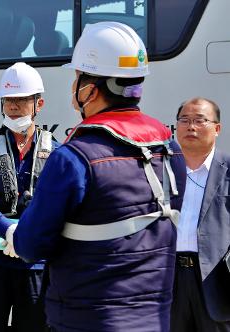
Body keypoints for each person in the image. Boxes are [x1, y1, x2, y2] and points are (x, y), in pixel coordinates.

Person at [11, 22, 186, 331]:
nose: (73, 86)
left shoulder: (73, 158)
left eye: (77, 77)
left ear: (90, 89)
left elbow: (30, 246)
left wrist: (27, 217)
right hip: (156, 320)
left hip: (85, 319)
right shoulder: (170, 149)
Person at [0, 62, 60, 332]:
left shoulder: (56, 152)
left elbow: (57, 204)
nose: (13, 107)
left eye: (20, 100)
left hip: (36, 266)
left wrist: (27, 234)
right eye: (8, 100)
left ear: (38, 104)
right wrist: (7, 230)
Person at [171, 97, 230, 332]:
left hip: (216, 281)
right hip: (169, 278)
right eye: (184, 120)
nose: (191, 126)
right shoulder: (162, 168)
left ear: (217, 129)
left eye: (199, 120)